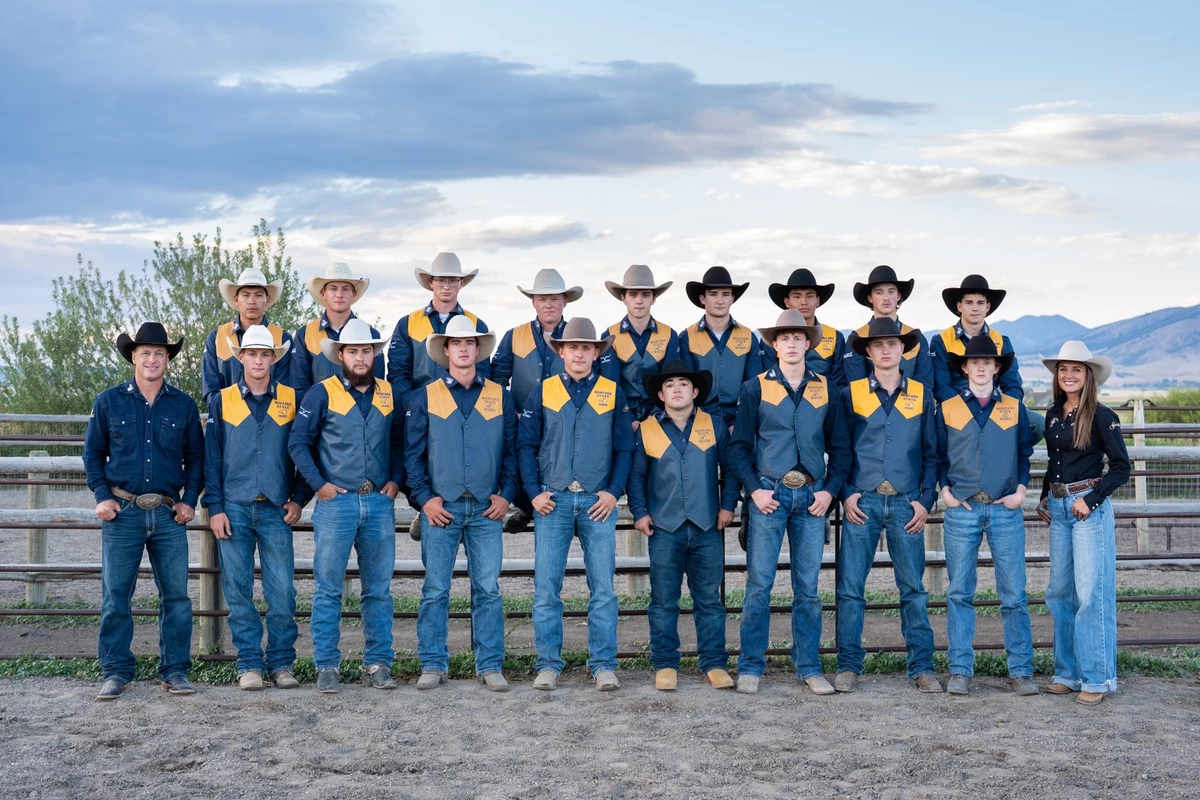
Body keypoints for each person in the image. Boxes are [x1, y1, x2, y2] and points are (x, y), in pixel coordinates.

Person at [727, 310, 851, 695]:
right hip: (769, 493)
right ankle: (750, 665)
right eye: (785, 338)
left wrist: (829, 491)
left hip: (811, 497)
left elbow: (842, 450)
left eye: (799, 337)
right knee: (759, 584)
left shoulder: (827, 389)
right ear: (775, 344)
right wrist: (754, 490)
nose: (792, 343)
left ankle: (809, 667)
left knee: (808, 589)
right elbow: (739, 448)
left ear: (808, 343)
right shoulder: (755, 388)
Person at [83, 322, 204, 701]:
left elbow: (197, 458)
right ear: (133, 356)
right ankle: (116, 671)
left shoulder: (183, 405)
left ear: (168, 359)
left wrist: (190, 501)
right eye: (145, 352)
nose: (152, 359)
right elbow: (92, 454)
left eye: (160, 353)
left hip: (168, 514)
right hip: (124, 511)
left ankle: (175, 671)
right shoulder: (108, 402)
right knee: (116, 594)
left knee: (177, 597)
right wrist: (103, 496)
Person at [517, 318, 635, 691]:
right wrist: (534, 491)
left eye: (587, 347)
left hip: (597, 501)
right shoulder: (543, 390)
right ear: (561, 351)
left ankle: (603, 664)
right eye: (573, 347)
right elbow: (526, 445)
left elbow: (624, 448)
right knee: (546, 587)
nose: (580, 353)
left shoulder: (611, 391)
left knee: (603, 588)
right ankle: (548, 664)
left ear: (597, 352)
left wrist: (614, 491)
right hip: (553, 499)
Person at [288, 318, 405, 694]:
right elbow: (298, 444)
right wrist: (319, 485)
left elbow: (404, 443)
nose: (360, 357)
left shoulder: (389, 393)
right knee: (328, 588)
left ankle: (378, 663)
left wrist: (395, 481)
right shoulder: (320, 393)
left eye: (366, 350)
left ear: (375, 354)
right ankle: (326, 664)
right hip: (336, 504)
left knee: (379, 589)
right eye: (353, 351)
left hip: (378, 501)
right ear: (340, 355)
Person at [405, 316, 519, 693]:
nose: (464, 348)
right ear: (446, 351)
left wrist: (506, 494)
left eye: (470, 342)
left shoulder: (500, 395)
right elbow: (413, 457)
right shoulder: (425, 396)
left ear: (478, 349)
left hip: (487, 509)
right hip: (443, 509)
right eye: (456, 343)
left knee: (487, 588)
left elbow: (513, 453)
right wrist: (424, 499)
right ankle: (433, 664)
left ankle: (489, 665)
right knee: (435, 589)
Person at [834, 317, 942, 694]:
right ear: (867, 351)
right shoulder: (850, 394)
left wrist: (925, 500)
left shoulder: (922, 394)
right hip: (861, 500)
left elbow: (932, 454)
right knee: (850, 587)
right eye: (877, 344)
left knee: (913, 587)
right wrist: (846, 491)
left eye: (892, 344)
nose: (885, 349)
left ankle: (922, 667)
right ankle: (848, 665)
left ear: (903, 349)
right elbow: (841, 449)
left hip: (905, 503)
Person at [203, 325, 308, 691]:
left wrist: (298, 497)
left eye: (266, 354)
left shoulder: (293, 400)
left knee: (282, 591)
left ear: (274, 359)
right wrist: (214, 506)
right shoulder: (222, 400)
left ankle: (281, 662)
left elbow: (305, 452)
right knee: (238, 589)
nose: (259, 360)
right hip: (233, 507)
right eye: (252, 354)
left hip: (277, 508)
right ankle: (248, 662)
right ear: (241, 358)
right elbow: (211, 457)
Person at [628, 361, 738, 691]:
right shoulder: (646, 428)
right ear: (660, 394)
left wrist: (727, 506)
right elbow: (636, 476)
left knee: (709, 599)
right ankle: (665, 663)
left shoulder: (714, 424)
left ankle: (714, 662)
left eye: (684, 384)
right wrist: (639, 512)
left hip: (707, 526)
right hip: (664, 527)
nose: (677, 388)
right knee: (664, 600)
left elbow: (731, 471)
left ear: (696, 391)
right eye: (670, 384)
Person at [937, 336, 1038, 696]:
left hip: (1004, 509)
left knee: (1014, 593)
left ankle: (1021, 671)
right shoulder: (948, 407)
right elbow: (937, 455)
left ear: (998, 367)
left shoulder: (1014, 406)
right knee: (959, 592)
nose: (980, 367)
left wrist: (1022, 492)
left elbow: (1025, 454)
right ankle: (960, 670)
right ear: (964, 368)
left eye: (988, 362)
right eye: (973, 362)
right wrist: (944, 492)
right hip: (962, 508)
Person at [1036, 341, 1131, 705]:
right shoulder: (1052, 415)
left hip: (1088, 508)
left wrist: (1090, 501)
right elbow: (1054, 461)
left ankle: (1098, 677)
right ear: (1057, 376)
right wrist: (1046, 494)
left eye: (1076, 369)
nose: (1069, 375)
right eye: (1063, 369)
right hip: (1060, 509)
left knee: (1091, 593)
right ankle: (1067, 673)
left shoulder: (1102, 415)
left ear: (1088, 375)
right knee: (1060, 593)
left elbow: (1121, 467)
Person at [491, 268, 584, 534]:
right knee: (512, 463)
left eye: (555, 298)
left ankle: (567, 511)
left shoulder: (577, 336)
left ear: (565, 301)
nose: (549, 304)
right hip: (523, 420)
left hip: (565, 421)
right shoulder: (514, 335)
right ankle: (529, 506)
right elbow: (498, 380)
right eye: (542, 298)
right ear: (533, 302)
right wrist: (512, 413)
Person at [386, 252, 490, 405]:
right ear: (431, 282)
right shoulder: (407, 323)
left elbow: (482, 373)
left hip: (463, 408)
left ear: (461, 283)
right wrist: (413, 402)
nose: (446, 286)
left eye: (453, 280)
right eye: (441, 280)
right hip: (419, 407)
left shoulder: (476, 325)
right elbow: (397, 372)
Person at [677, 266, 762, 428]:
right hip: (699, 420)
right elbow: (685, 386)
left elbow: (753, 388)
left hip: (739, 419)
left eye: (726, 294)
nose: (720, 300)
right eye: (713, 294)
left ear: (732, 299)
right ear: (703, 299)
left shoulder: (748, 337)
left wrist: (740, 423)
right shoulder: (687, 337)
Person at [291, 262, 381, 404]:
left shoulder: (371, 334)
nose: (339, 295)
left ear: (353, 294)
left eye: (345, 289)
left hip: (359, 418)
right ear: (323, 293)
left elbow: (377, 384)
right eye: (333, 289)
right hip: (318, 419)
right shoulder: (305, 334)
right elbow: (299, 386)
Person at [202, 267, 293, 409]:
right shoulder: (216, 337)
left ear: (267, 300)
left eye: (258, 295)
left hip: (271, 421)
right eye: (245, 295)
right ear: (236, 299)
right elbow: (210, 390)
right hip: (227, 420)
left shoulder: (283, 339)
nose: (251, 301)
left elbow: (285, 389)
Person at [600, 264, 680, 423]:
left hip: (662, 416)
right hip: (620, 417)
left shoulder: (669, 335)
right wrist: (628, 419)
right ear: (623, 298)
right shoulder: (609, 336)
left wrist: (655, 416)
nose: (639, 300)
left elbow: (671, 382)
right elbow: (611, 386)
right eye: (633, 294)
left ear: (654, 298)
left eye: (645, 294)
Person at [843, 265, 932, 387]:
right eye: (879, 292)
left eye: (891, 291)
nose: (886, 297)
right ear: (870, 298)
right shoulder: (858, 338)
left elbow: (924, 385)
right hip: (869, 405)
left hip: (912, 404)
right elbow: (856, 386)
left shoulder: (917, 339)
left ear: (898, 296)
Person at [761, 268, 846, 389]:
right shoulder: (771, 338)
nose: (804, 301)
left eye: (809, 296)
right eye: (797, 296)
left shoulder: (835, 336)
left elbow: (839, 383)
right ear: (787, 302)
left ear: (817, 300)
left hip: (824, 403)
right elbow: (768, 380)